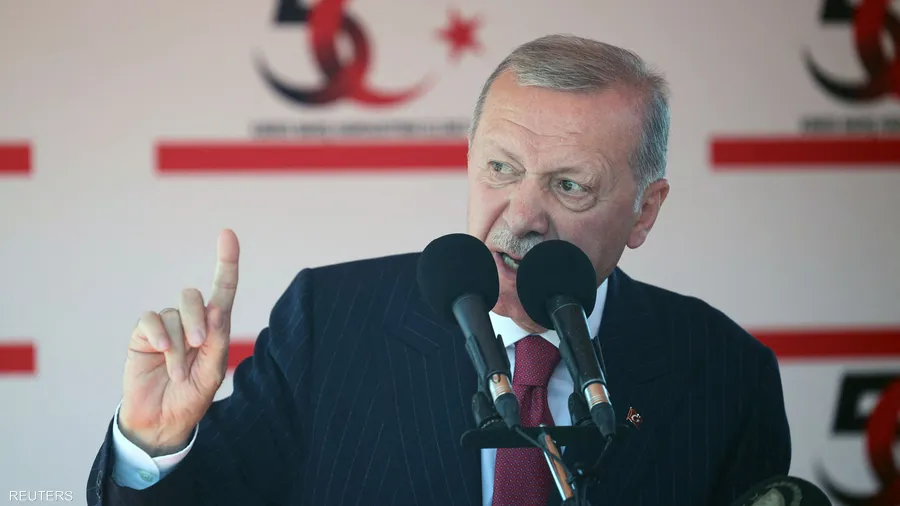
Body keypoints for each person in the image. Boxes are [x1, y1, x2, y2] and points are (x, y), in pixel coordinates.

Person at [86, 34, 791, 506]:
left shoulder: (724, 373)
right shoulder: (330, 322)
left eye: (569, 185)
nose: (523, 216)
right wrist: (154, 445)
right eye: (501, 169)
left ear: (644, 212)